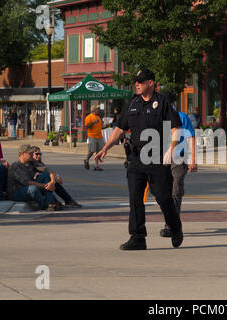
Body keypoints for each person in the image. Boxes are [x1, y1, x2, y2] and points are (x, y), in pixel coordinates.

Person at [95, 68, 184, 250]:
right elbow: (120, 128)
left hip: (157, 156)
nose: (136, 84)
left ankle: (175, 227)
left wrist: (171, 149)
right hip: (135, 158)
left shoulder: (162, 103)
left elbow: (175, 127)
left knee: (163, 197)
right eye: (135, 81)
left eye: (140, 81)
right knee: (135, 197)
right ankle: (137, 237)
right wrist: (105, 147)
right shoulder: (133, 103)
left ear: (150, 83)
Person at [160, 91, 198, 237]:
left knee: (175, 190)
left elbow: (191, 137)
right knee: (163, 192)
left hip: (178, 159)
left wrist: (193, 160)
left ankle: (171, 225)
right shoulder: (159, 117)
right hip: (162, 159)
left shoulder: (182, 117)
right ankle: (171, 221)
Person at [7, 144, 61, 211]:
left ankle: (50, 203)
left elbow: (49, 171)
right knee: (33, 189)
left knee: (46, 175)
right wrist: (45, 186)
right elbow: (28, 183)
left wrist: (52, 182)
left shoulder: (32, 162)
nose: (32, 155)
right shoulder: (15, 166)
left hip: (28, 188)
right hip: (17, 192)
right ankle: (45, 205)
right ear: (23, 154)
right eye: (30, 153)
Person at [84, 105, 105, 171]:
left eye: (98, 109)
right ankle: (86, 159)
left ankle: (96, 166)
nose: (99, 110)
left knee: (99, 151)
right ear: (94, 110)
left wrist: (104, 125)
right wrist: (93, 122)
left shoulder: (98, 117)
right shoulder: (89, 117)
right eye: (97, 109)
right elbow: (87, 127)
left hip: (99, 136)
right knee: (92, 150)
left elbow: (100, 126)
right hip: (92, 136)